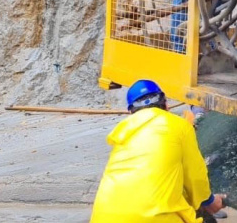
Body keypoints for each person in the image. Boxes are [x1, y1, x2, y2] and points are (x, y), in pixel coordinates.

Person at [90, 79, 225, 222]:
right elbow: (195, 176)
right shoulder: (179, 126)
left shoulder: (122, 135)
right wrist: (209, 201)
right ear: (166, 104)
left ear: (131, 112)